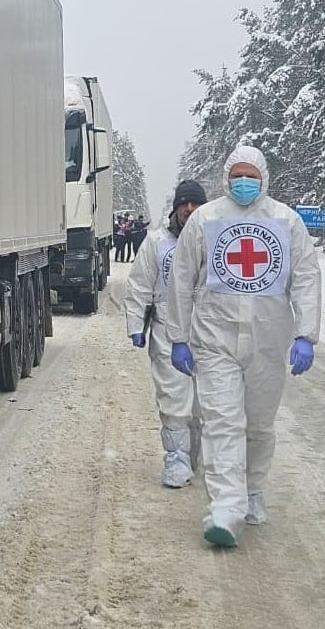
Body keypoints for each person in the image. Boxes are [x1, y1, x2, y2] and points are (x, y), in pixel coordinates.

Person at [165, 145, 321, 548]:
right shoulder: (206, 218)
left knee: (259, 424)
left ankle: (252, 489)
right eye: (238, 174)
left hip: (268, 342)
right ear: (226, 177)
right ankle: (225, 509)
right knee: (222, 423)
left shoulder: (286, 221)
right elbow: (181, 280)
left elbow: (305, 277)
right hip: (215, 339)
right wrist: (178, 337)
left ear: (265, 177)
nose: (244, 182)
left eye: (252, 175)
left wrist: (306, 333)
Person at [125, 181, 208, 488]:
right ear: (175, 208)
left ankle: (193, 455)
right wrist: (136, 324)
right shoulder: (156, 242)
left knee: (204, 401)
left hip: (210, 332)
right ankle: (176, 458)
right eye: (184, 204)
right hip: (167, 332)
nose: (189, 209)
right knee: (174, 399)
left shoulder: (213, 241)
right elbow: (139, 285)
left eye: (196, 204)